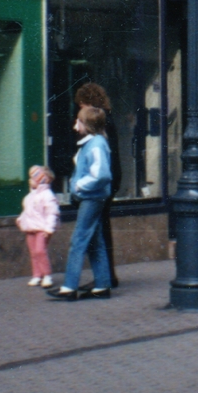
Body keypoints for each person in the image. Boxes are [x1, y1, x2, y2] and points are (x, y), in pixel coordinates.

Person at [49, 106, 113, 301]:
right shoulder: (95, 143)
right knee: (95, 241)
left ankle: (69, 287)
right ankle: (102, 285)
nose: (75, 125)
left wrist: (78, 186)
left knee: (78, 241)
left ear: (88, 125)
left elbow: (102, 175)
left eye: (79, 121)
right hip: (94, 197)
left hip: (91, 198)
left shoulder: (95, 144)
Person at [73, 81, 120, 287]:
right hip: (112, 178)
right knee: (101, 228)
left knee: (96, 231)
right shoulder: (106, 119)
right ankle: (106, 277)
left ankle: (105, 278)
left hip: (102, 182)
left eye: (81, 105)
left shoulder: (98, 123)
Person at [16, 165, 61, 287]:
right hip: (31, 228)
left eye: (32, 178)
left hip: (42, 229)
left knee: (40, 251)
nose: (29, 181)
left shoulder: (47, 195)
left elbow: (52, 213)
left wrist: (48, 228)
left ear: (40, 181)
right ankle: (37, 275)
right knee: (33, 252)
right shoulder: (30, 197)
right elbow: (28, 212)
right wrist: (21, 220)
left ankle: (47, 275)